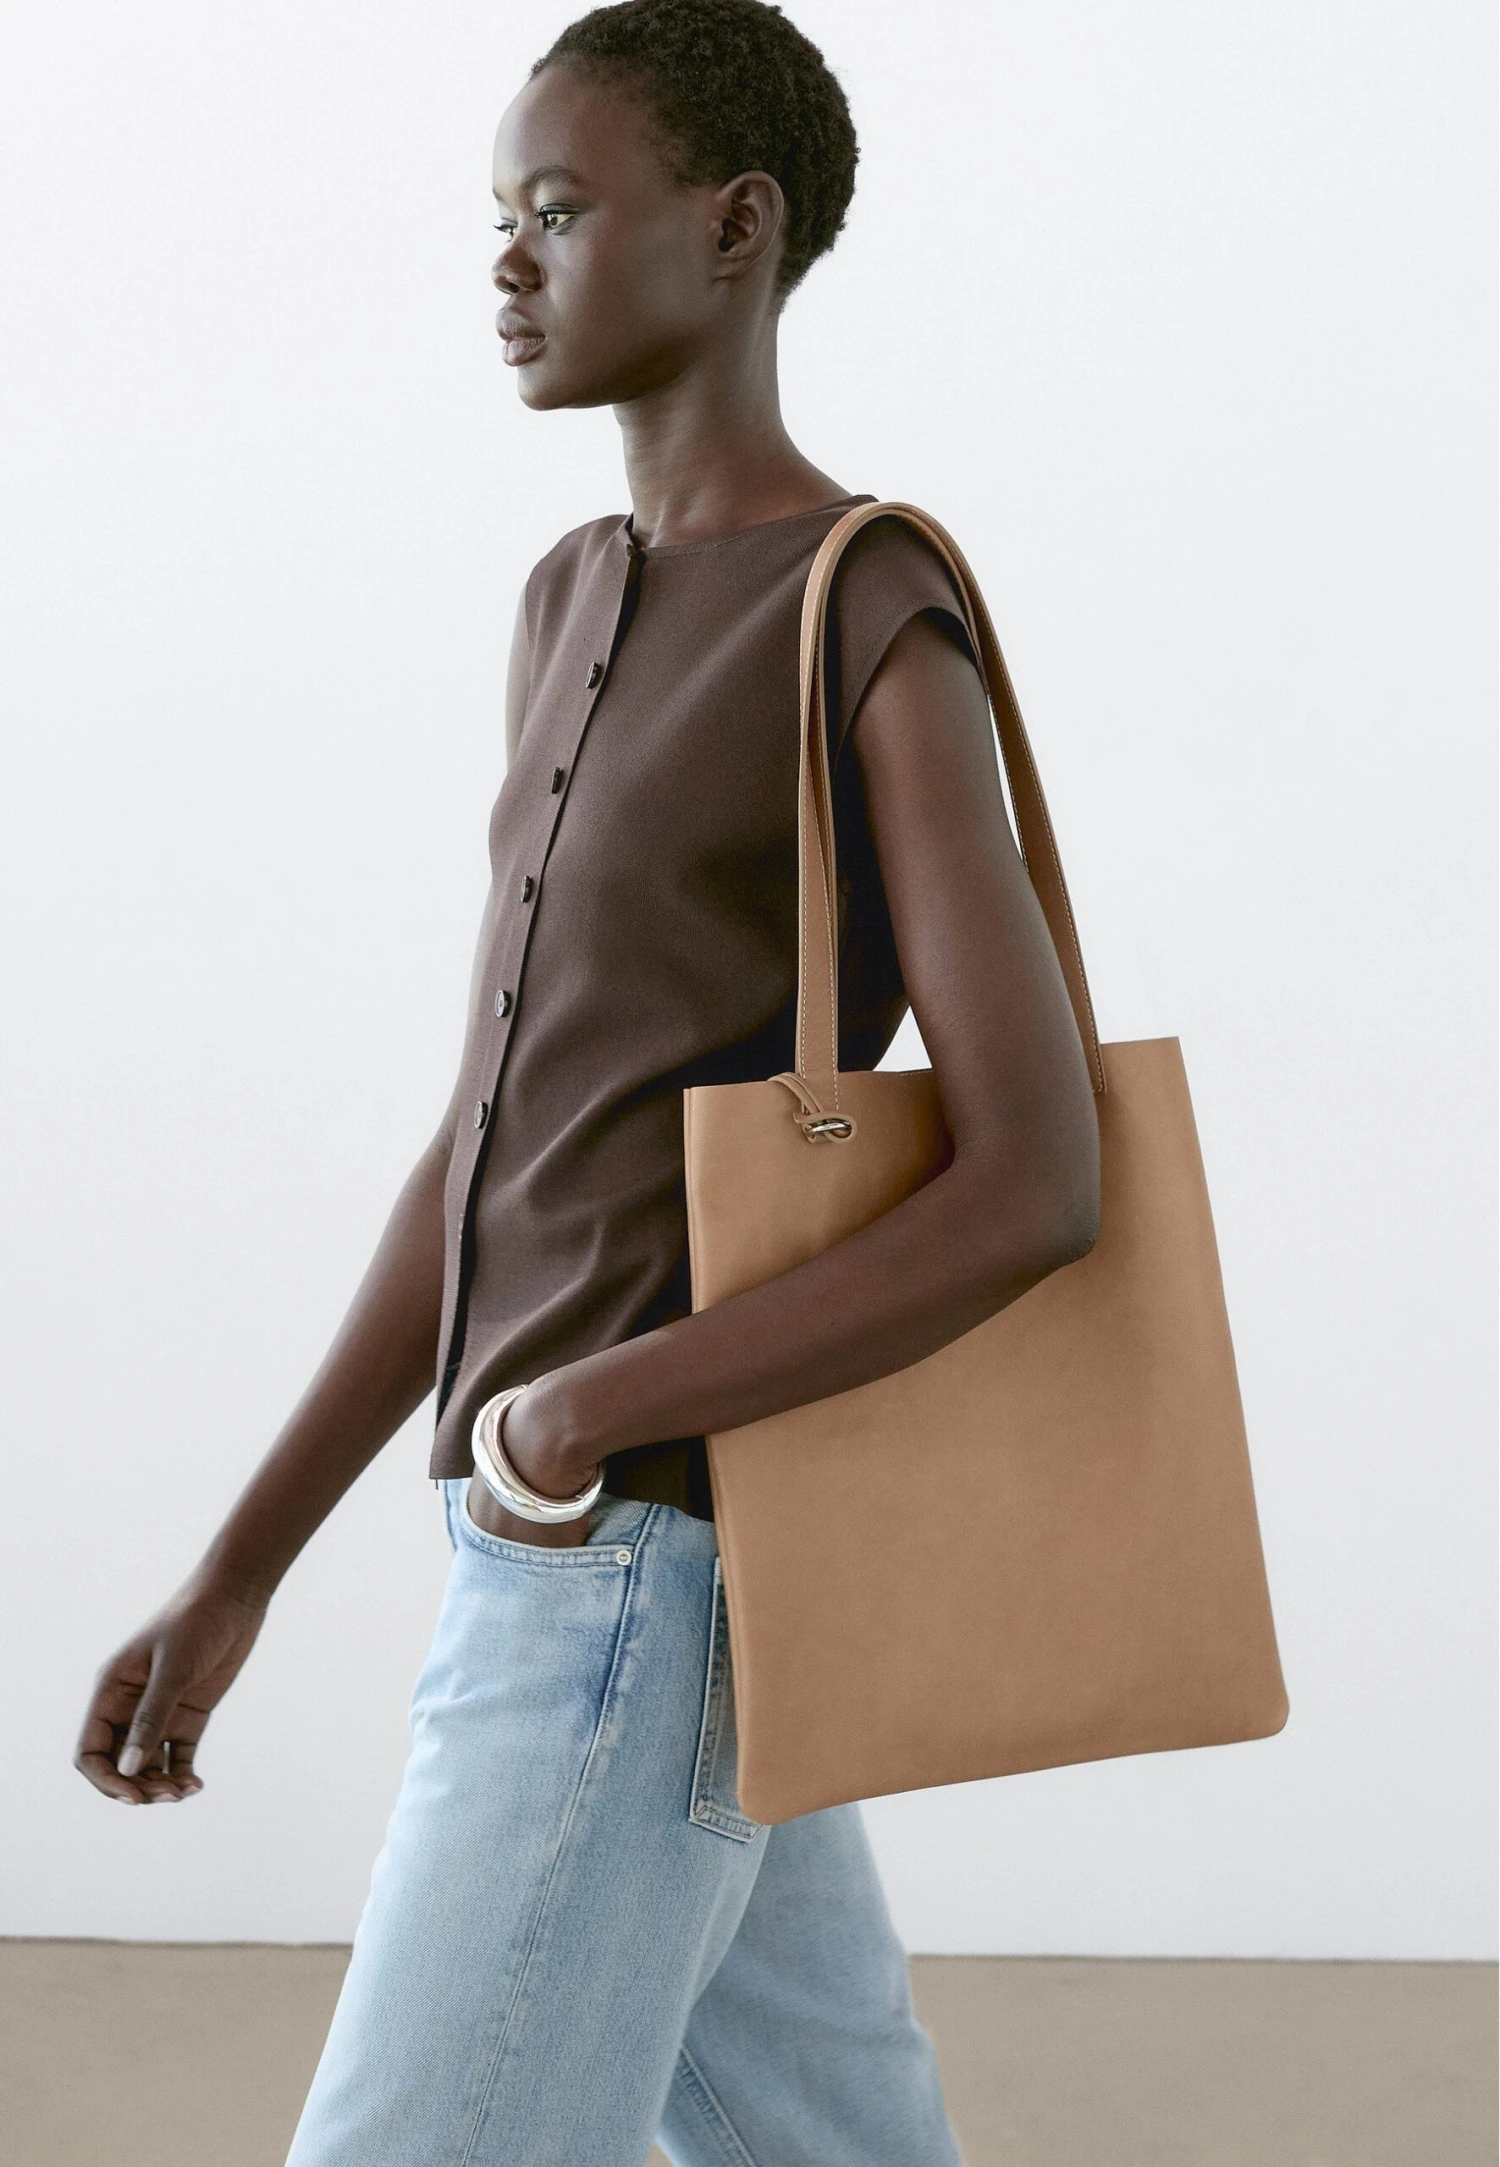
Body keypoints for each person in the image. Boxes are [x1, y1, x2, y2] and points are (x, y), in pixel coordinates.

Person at [75, 2, 1101, 2159]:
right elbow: (484, 1142)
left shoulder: (862, 602)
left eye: (558, 208)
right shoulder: (569, 600)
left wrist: (579, 1415)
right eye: (499, 213)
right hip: (568, 1533)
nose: (507, 258)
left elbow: (1036, 1176)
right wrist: (246, 1560)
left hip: (636, 1552)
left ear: (736, 229)